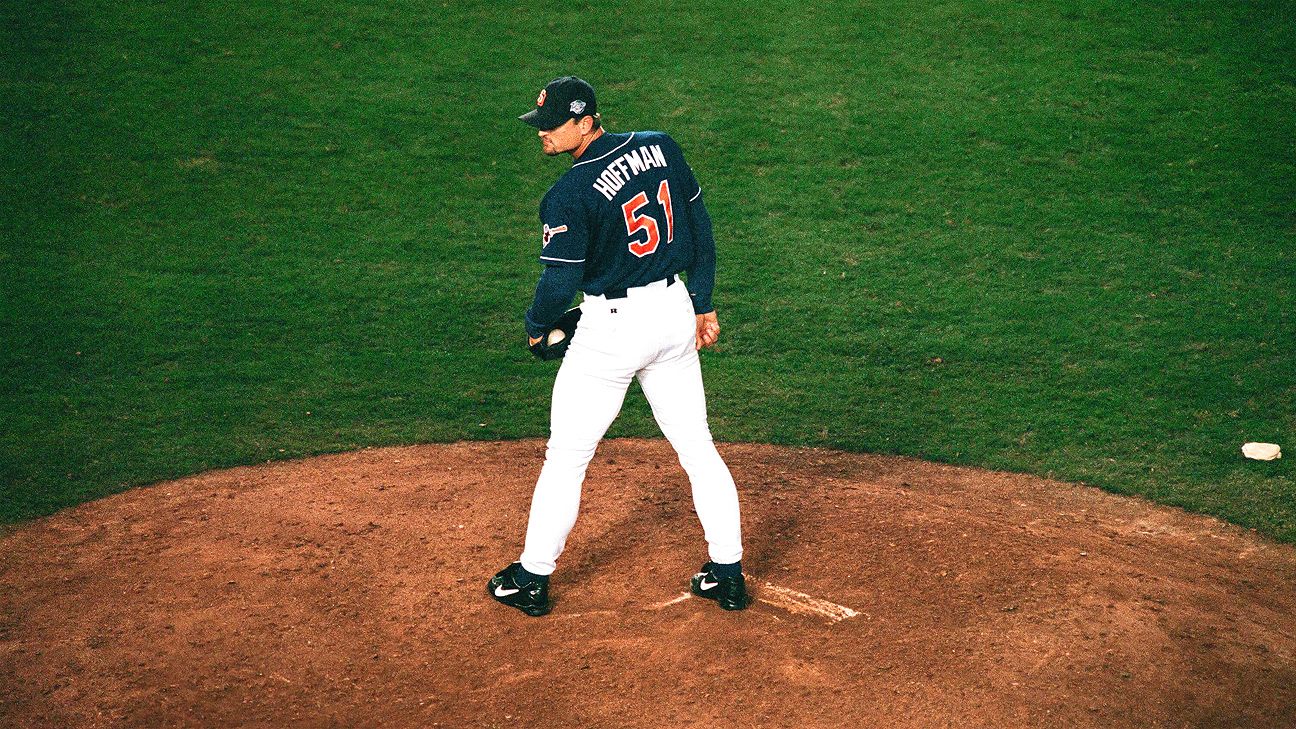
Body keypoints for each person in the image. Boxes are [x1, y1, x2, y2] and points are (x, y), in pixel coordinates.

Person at [487, 76, 748, 617]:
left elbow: (559, 286)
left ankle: (531, 578)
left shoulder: (568, 194)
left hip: (610, 329)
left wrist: (537, 325)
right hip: (674, 313)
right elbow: (699, 227)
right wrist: (702, 302)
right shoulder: (661, 145)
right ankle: (727, 572)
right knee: (698, 449)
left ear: (586, 123)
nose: (542, 134)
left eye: (552, 126)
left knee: (566, 459)